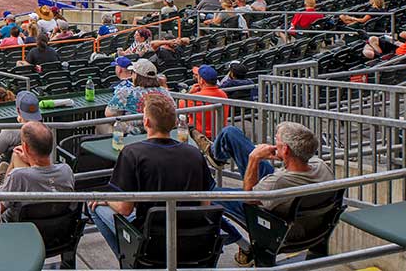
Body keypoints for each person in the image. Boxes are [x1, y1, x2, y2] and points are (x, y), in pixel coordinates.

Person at [88, 92, 213, 260]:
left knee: (95, 206)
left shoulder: (131, 153)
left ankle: (132, 261)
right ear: (175, 123)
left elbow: (125, 209)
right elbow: (205, 205)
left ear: (146, 122)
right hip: (194, 239)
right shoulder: (194, 153)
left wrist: (106, 198)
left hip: (151, 242)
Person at [205, 121, 334, 264]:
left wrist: (254, 159)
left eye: (276, 141)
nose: (273, 145)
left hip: (269, 220)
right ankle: (214, 154)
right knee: (231, 133)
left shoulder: (276, 182)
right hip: (296, 212)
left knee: (206, 195)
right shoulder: (321, 166)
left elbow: (248, 197)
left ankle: (244, 247)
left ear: (285, 149)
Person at [0, 120, 74, 220]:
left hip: (18, 228)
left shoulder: (18, 176)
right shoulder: (66, 170)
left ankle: (3, 184)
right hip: (58, 228)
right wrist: (30, 160)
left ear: (25, 147)